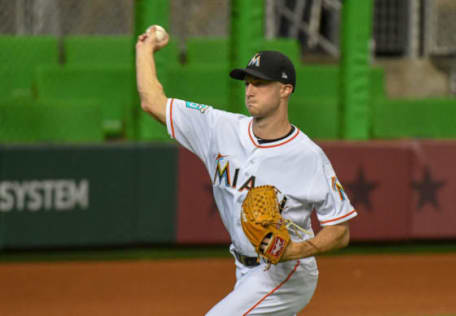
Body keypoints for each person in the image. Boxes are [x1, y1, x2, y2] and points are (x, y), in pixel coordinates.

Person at [136, 27, 357, 316]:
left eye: (260, 83)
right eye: (247, 82)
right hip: (244, 268)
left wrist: (295, 251)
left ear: (285, 89)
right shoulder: (218, 128)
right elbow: (152, 102)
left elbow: (340, 231)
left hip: (287, 273)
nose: (250, 90)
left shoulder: (308, 156)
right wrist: (144, 48)